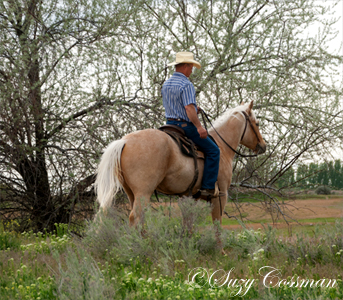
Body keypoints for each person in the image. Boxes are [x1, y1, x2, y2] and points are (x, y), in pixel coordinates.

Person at [161, 51, 221, 198]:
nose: (192, 70)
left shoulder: (166, 84)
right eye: (191, 67)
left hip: (169, 125)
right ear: (186, 66)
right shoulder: (186, 85)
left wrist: (195, 108)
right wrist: (199, 127)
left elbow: (177, 106)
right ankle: (207, 187)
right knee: (214, 151)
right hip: (185, 127)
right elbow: (188, 108)